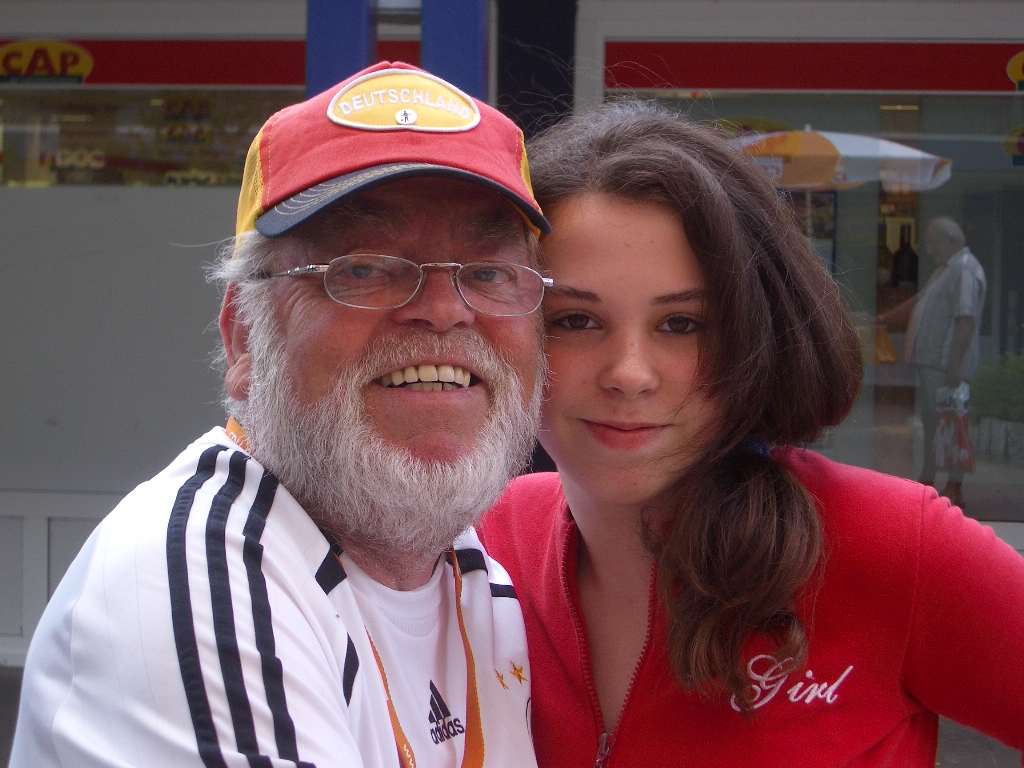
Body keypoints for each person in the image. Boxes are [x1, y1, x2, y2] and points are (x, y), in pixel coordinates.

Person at [11, 61, 551, 768]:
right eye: (363, 267)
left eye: (488, 272)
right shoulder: (196, 577)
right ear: (243, 338)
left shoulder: (481, 581)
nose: (445, 309)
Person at [478, 102, 1024, 767]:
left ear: (756, 335)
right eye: (574, 320)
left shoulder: (895, 546)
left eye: (683, 325)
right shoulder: (481, 543)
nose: (629, 374)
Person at [879, 217, 987, 507]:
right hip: (933, 364)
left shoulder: (964, 269)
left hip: (945, 366)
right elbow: (918, 301)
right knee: (932, 422)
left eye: (933, 243)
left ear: (951, 240)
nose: (929, 250)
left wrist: (955, 365)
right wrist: (883, 319)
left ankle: (954, 485)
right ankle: (928, 478)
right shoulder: (945, 270)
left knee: (950, 424)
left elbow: (966, 319)